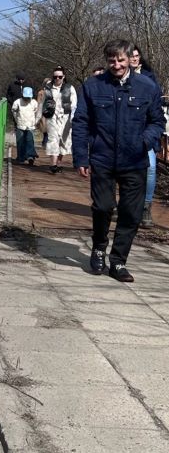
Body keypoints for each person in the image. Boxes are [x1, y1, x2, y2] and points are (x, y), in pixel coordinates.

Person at [72, 38, 164, 283]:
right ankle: (99, 247)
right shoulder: (93, 86)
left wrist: (144, 141)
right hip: (102, 158)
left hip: (135, 160)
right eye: (112, 60)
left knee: (131, 213)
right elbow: (81, 123)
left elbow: (157, 122)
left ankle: (118, 261)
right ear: (107, 60)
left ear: (130, 59)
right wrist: (81, 157)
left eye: (121, 60)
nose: (116, 65)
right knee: (103, 207)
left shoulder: (147, 86)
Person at [128, 44, 160, 227]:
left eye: (136, 55)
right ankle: (128, 205)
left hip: (145, 130)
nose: (133, 58)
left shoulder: (149, 77)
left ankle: (146, 206)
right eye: (130, 55)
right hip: (125, 129)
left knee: (151, 168)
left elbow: (156, 105)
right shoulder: (119, 77)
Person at [40, 66, 77, 173]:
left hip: (66, 118)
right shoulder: (48, 88)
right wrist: (40, 118)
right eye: (55, 76)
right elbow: (42, 103)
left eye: (59, 76)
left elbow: (74, 104)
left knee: (63, 141)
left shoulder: (70, 88)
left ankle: (58, 163)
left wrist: (73, 118)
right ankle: (53, 165)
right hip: (52, 117)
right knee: (53, 140)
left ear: (63, 77)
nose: (57, 78)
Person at [11, 86, 39, 165]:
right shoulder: (17, 102)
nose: (27, 98)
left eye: (28, 97)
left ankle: (30, 156)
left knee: (30, 140)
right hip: (20, 124)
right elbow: (14, 111)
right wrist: (16, 120)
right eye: (25, 97)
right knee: (20, 141)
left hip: (30, 125)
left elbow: (36, 112)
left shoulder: (34, 102)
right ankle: (21, 158)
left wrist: (35, 121)